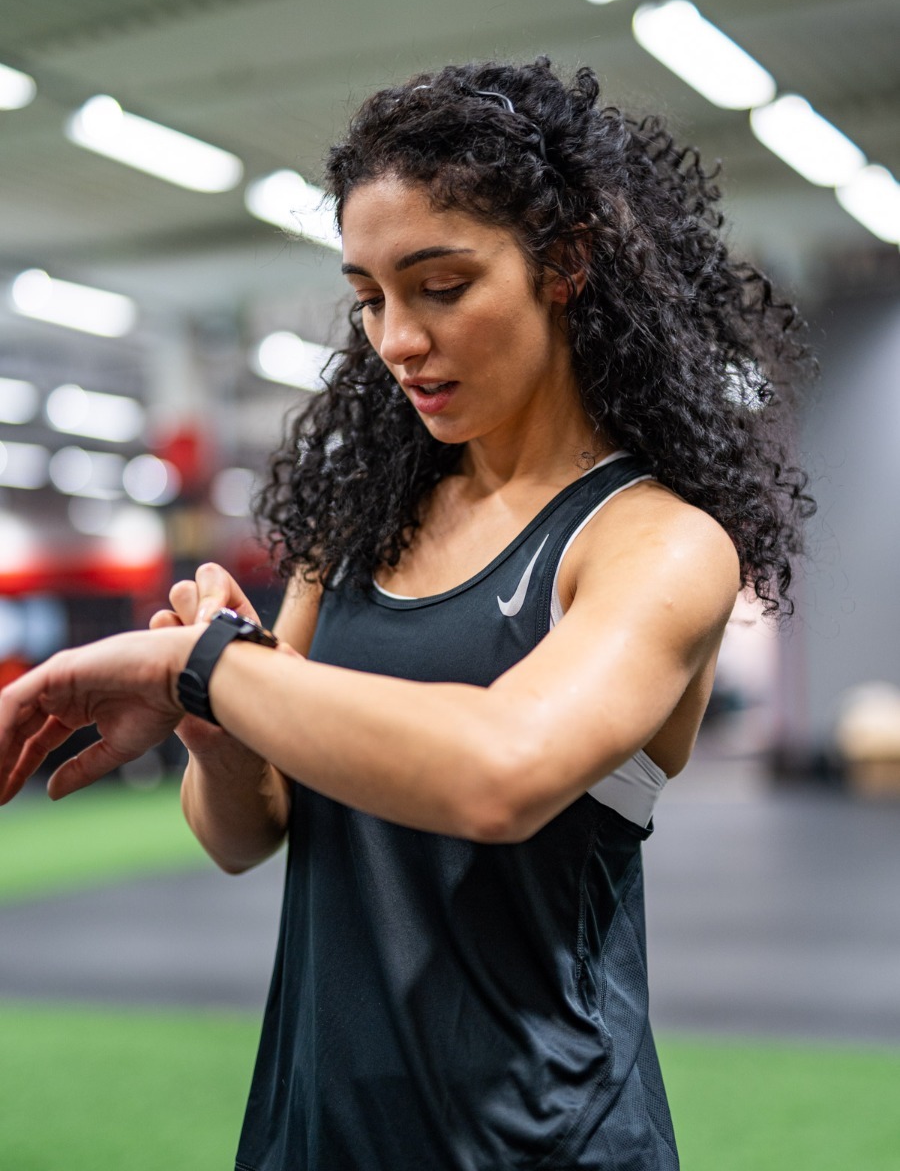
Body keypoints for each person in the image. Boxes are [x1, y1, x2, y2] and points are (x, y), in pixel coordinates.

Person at [0, 58, 813, 1170]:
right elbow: (244, 833)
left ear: (565, 264)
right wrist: (221, 735)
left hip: (544, 1139)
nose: (396, 340)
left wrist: (212, 666)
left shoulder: (654, 544)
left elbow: (500, 774)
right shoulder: (362, 525)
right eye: (369, 297)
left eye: (440, 286)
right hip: (312, 1128)